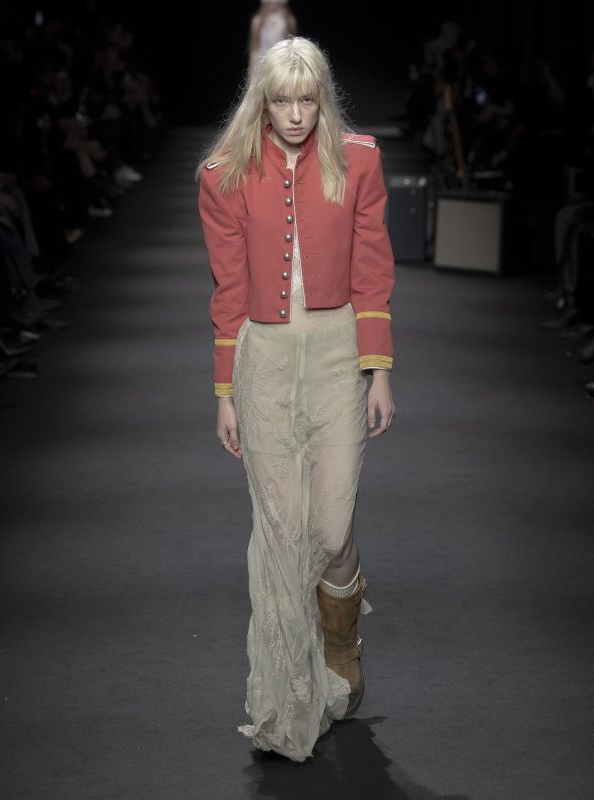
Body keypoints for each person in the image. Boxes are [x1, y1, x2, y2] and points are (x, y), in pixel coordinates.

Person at [195, 36, 396, 762]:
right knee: (281, 533)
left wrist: (380, 369)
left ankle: (341, 638)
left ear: (323, 99)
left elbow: (374, 263)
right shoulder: (223, 174)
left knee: (333, 527)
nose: (295, 114)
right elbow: (226, 290)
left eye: (308, 100)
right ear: (262, 101)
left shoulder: (359, 158)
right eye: (282, 100)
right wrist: (224, 391)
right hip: (266, 360)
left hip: (340, 349)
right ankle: (288, 702)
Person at [247, 0, 297, 80]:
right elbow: (255, 45)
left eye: (277, 3)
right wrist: (253, 65)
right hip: (262, 56)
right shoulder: (258, 20)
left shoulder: (288, 20)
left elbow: (292, 39)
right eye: (269, 3)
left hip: (282, 56)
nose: (273, 6)